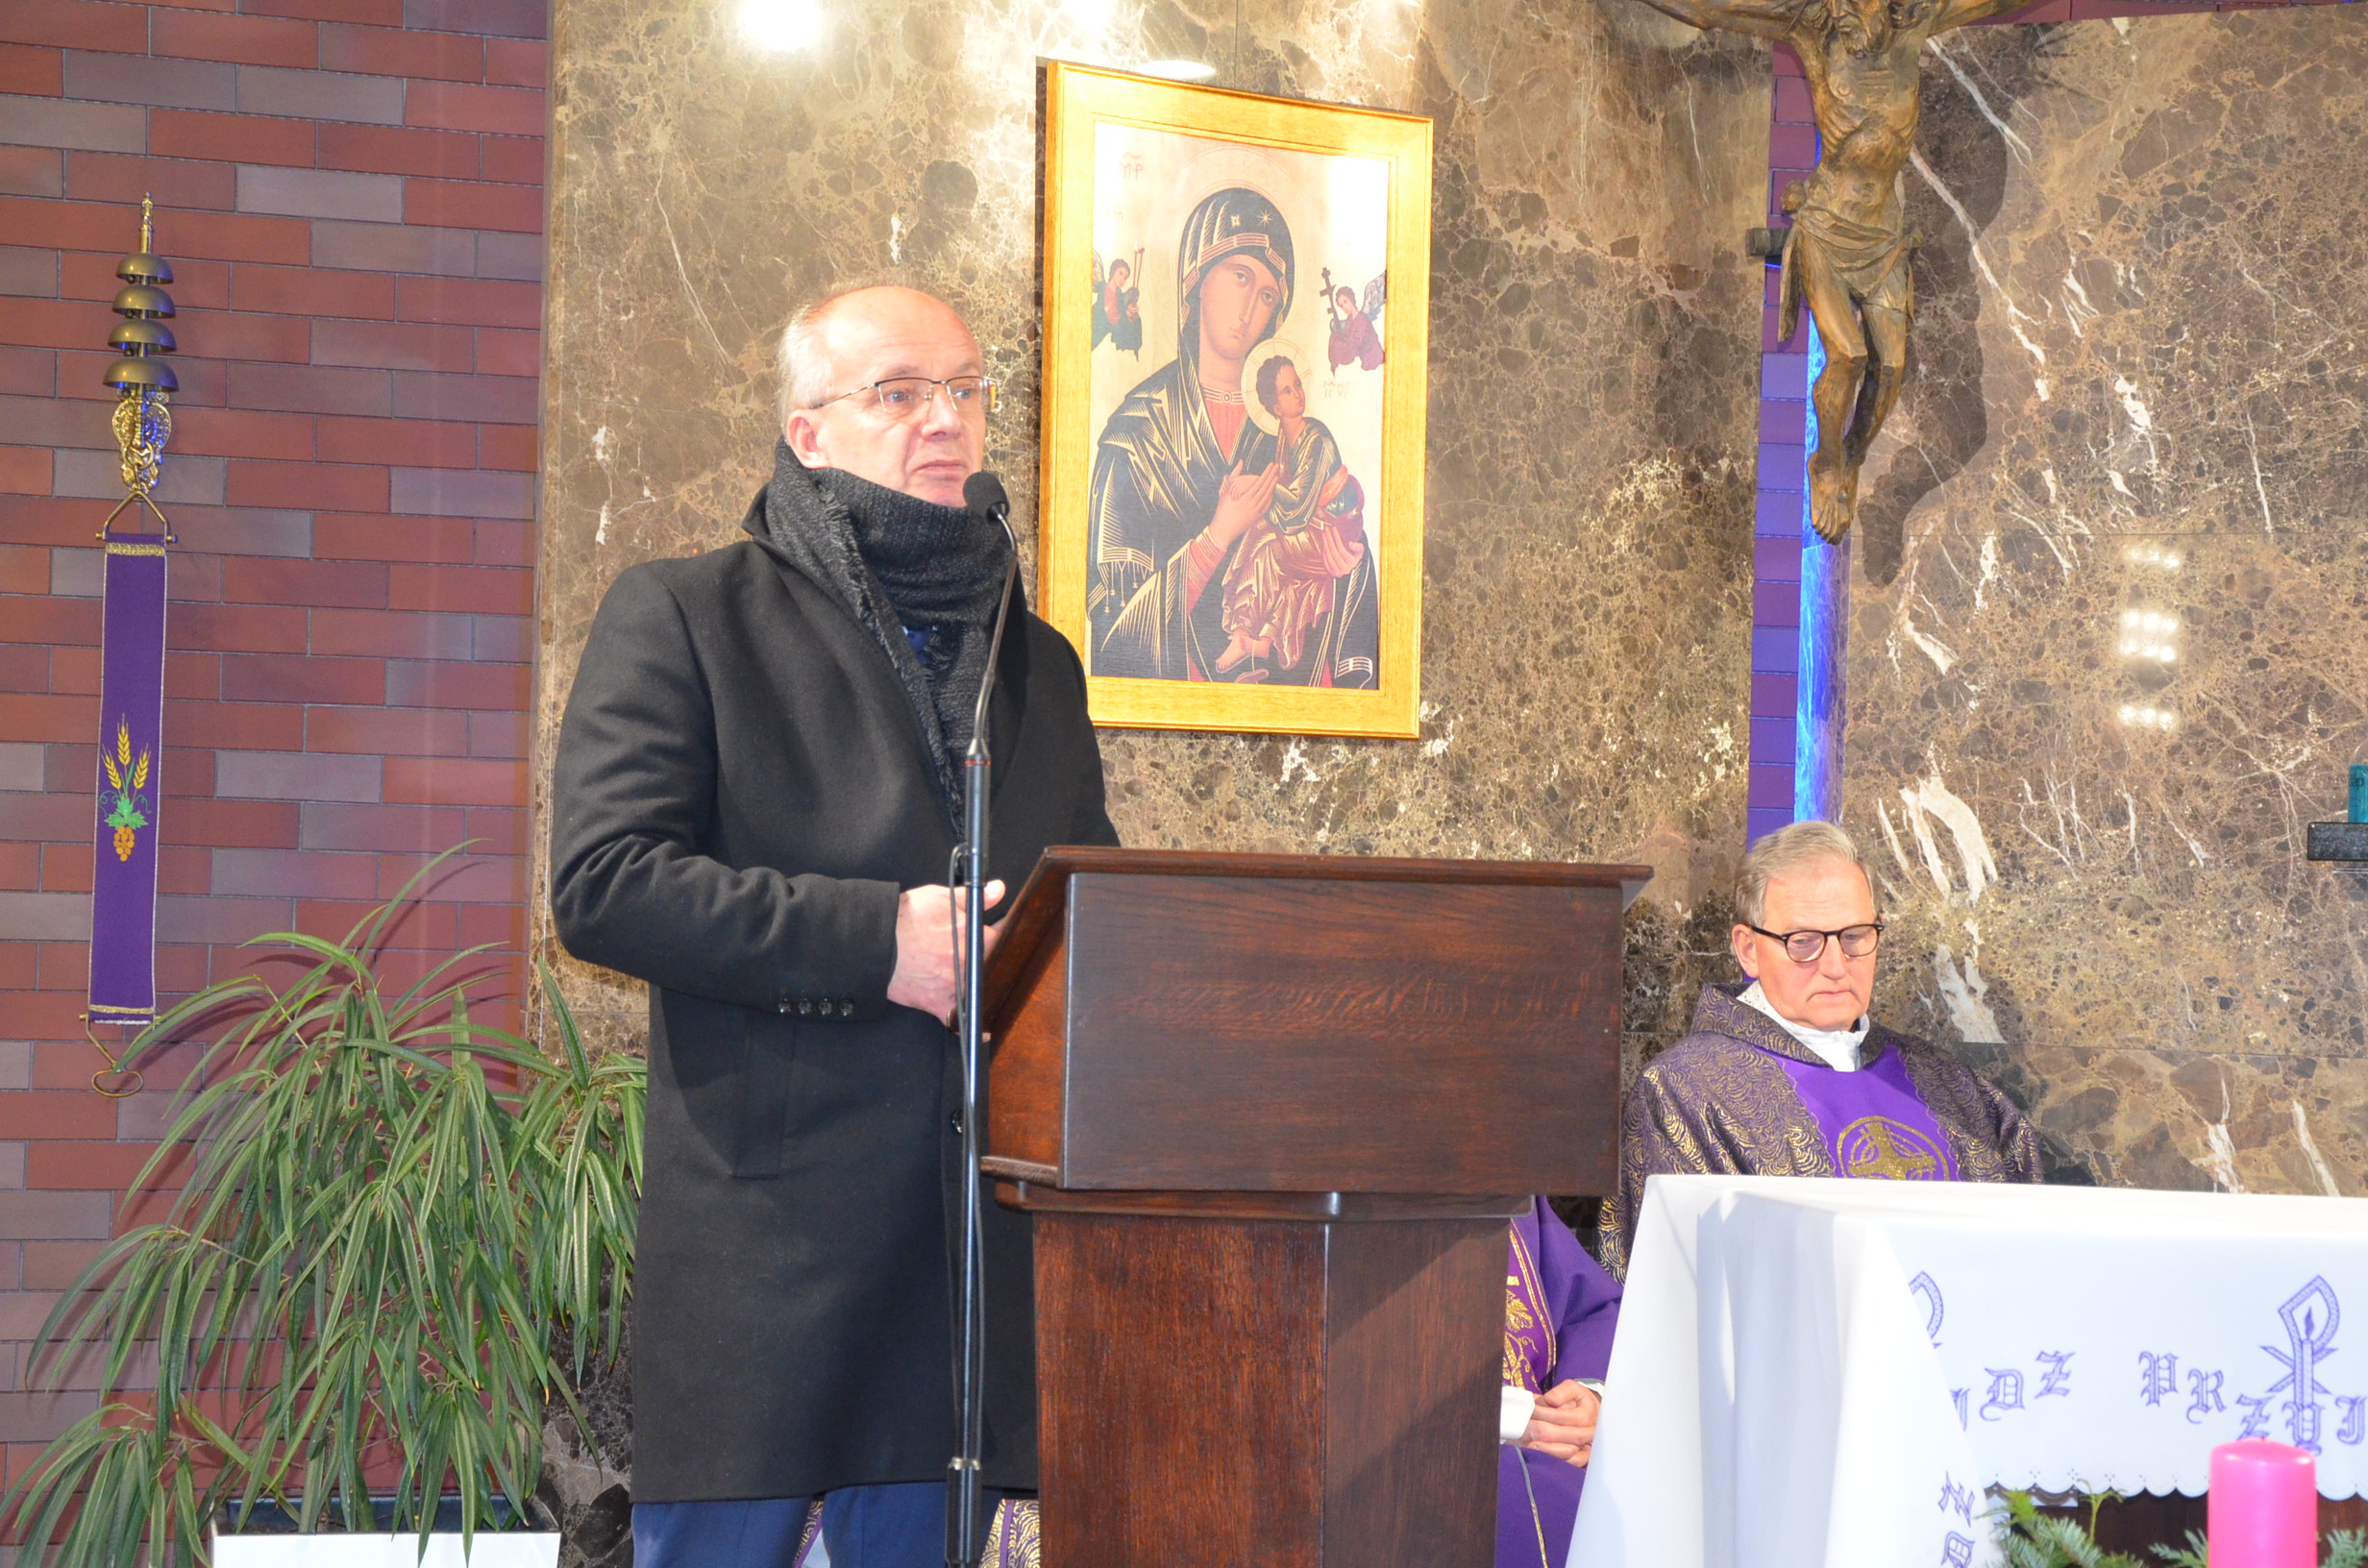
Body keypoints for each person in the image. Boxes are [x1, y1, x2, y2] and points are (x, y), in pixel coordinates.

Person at [549, 283, 1119, 1568]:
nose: (945, 420)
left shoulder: (1038, 664)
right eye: (900, 393)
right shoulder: (687, 616)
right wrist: (879, 945)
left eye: (964, 390)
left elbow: (1090, 911)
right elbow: (605, 881)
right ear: (807, 433)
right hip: (774, 1274)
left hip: (971, 1286)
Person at [1598, 820, 2042, 1274]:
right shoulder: (1685, 1092)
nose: (1835, 966)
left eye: (1854, 937)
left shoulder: (1951, 1087)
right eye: (1804, 942)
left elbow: (2033, 1254)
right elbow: (1678, 1286)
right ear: (1748, 949)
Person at [1086, 185, 1379, 688]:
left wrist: (1341, 546)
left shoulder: (1288, 431)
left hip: (1288, 700)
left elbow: (1344, 541)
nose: (1249, 307)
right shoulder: (1137, 435)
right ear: (1197, 279)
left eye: (1267, 295)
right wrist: (1217, 536)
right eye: (1240, 275)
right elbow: (1114, 631)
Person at [1214, 356, 1367, 680]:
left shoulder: (1316, 440)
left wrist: (1255, 484)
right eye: (1287, 391)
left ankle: (1244, 632)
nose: (1297, 393)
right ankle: (1256, 639)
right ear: (1275, 407)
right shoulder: (1286, 436)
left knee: (1270, 547)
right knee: (1259, 530)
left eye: (1297, 385)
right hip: (1315, 525)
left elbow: (1297, 509)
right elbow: (1286, 504)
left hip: (1335, 530)